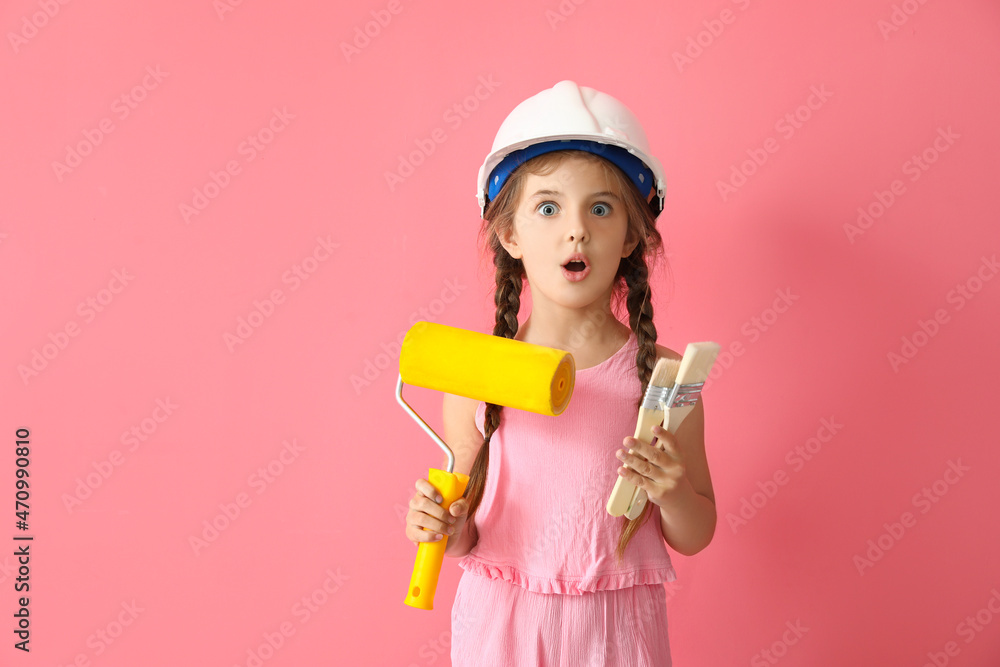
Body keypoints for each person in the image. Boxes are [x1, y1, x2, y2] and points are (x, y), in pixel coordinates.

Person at [404, 80, 717, 666]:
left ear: (631, 235)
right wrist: (442, 527)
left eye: (600, 208)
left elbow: (697, 532)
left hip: (618, 637)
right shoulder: (477, 375)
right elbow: (469, 534)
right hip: (504, 631)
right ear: (509, 233)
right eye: (548, 207)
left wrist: (672, 493)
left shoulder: (669, 376)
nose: (576, 229)